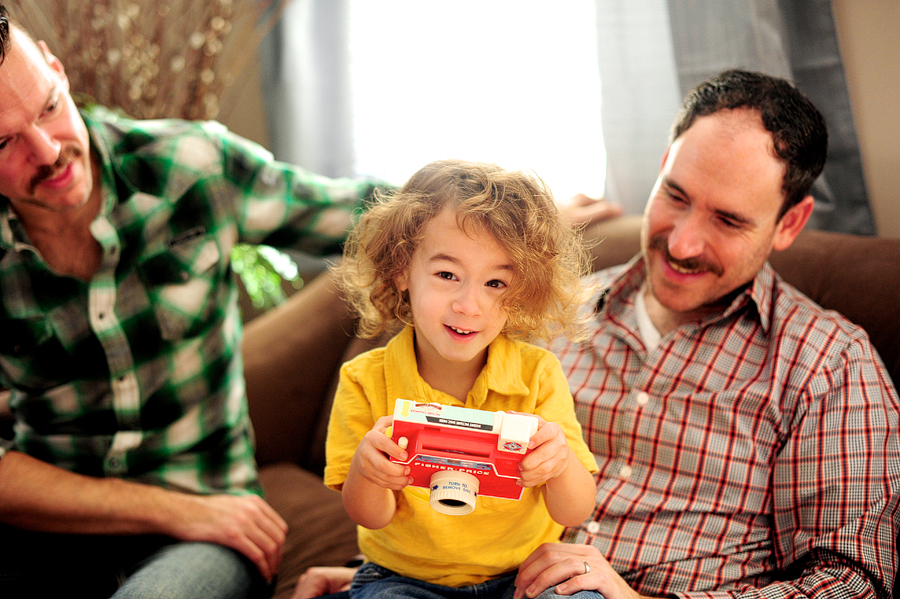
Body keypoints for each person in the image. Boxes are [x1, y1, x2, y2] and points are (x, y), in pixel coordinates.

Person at [294, 70, 900, 599]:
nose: (684, 242)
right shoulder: (545, 310)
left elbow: (852, 583)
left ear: (790, 222)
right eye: (676, 196)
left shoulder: (828, 365)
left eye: (728, 220)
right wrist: (381, 575)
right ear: (661, 168)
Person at [0, 5, 388, 598]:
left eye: (50, 107)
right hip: (52, 527)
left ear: (57, 70)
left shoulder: (190, 166)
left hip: (208, 532)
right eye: (4, 141)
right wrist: (167, 509)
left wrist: (500, 212)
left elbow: (365, 215)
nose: (48, 150)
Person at [325, 159, 601, 599]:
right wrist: (368, 470)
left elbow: (575, 509)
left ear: (523, 291)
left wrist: (560, 463)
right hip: (403, 580)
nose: (469, 305)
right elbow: (370, 516)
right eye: (447, 275)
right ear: (401, 271)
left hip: (523, 576)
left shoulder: (537, 374)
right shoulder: (364, 379)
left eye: (495, 283)